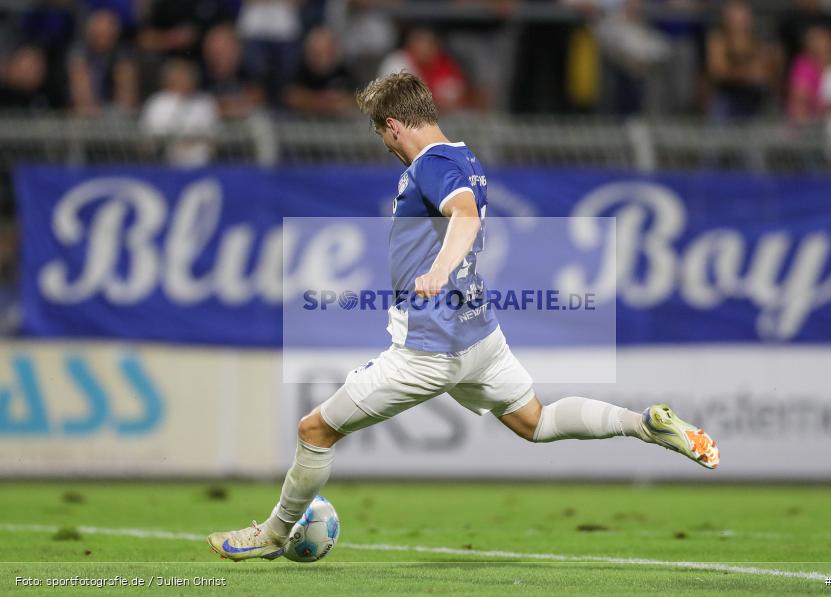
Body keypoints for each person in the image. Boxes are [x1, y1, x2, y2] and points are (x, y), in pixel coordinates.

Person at [207, 72, 720, 561]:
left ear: (393, 126)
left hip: (431, 350)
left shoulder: (429, 163)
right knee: (534, 421)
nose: (387, 147)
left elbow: (464, 215)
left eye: (382, 135)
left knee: (315, 430)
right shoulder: (465, 155)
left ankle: (273, 534)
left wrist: (438, 269)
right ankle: (642, 425)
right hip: (482, 340)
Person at [706, 0, 778, 121]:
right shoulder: (718, 39)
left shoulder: (756, 40)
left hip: (753, 98)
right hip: (727, 98)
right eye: (736, 15)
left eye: (744, 14)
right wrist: (748, 73)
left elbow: (765, 72)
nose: (741, 20)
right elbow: (718, 71)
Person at [140, 58, 219, 166]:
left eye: (187, 76)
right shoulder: (157, 102)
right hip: (165, 161)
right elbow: (149, 136)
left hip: (201, 161)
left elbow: (213, 134)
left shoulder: (205, 102)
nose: (184, 80)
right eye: (179, 76)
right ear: (168, 79)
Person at [68, 9, 139, 116]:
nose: (103, 39)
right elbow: (81, 95)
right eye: (98, 34)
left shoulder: (123, 55)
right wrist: (91, 111)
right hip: (84, 115)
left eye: (107, 34)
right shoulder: (79, 53)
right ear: (90, 33)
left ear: (115, 35)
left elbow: (127, 97)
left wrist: (116, 113)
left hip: (115, 115)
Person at [284, 26, 355, 115]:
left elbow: (355, 99)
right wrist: (325, 102)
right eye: (317, 52)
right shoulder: (298, 71)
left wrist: (313, 100)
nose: (323, 57)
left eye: (327, 51)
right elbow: (291, 96)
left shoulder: (344, 71)